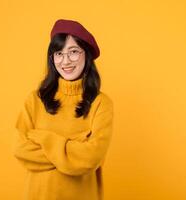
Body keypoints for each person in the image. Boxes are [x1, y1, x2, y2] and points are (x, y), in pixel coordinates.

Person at [13, 19, 114, 200]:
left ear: (87, 55)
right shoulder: (35, 100)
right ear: (52, 58)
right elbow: (20, 149)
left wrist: (45, 138)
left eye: (73, 52)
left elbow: (91, 158)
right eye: (59, 53)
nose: (66, 61)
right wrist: (74, 147)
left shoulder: (101, 103)